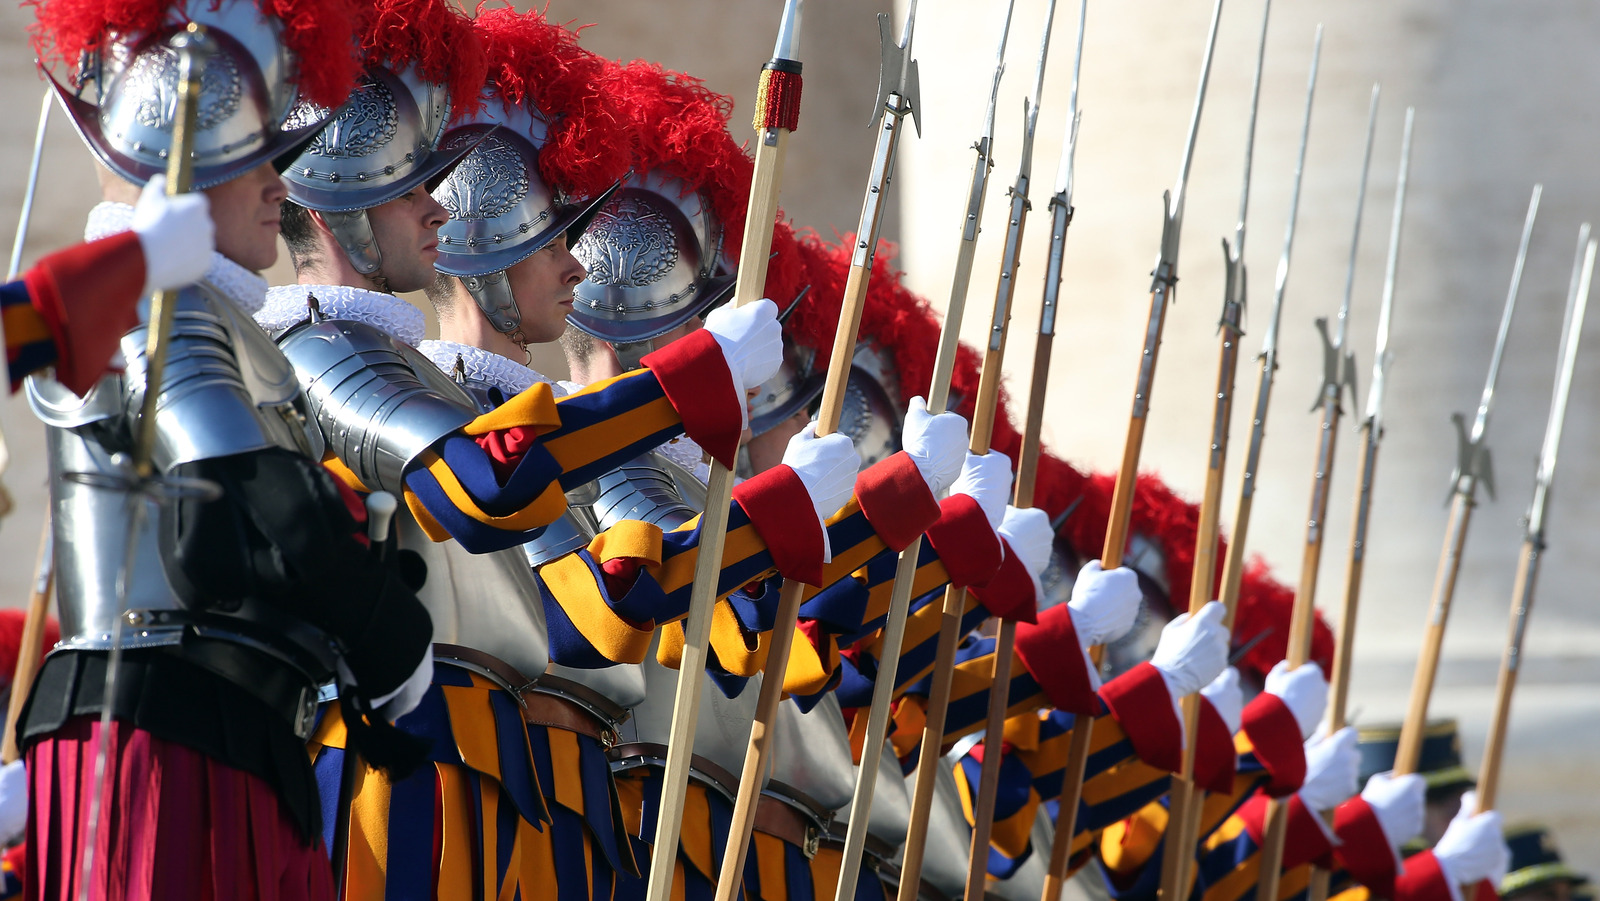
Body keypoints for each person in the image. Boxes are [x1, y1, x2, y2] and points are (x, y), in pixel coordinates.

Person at [17, 0, 437, 897]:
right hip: (164, 723)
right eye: (257, 163)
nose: (283, 189)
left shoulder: (213, 312)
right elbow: (248, 505)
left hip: (231, 723)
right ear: (190, 165)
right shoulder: (166, 304)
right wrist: (381, 628)